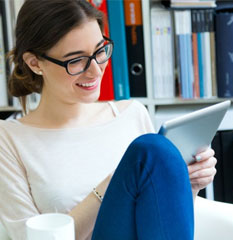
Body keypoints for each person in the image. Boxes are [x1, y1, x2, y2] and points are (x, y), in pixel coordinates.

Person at [0, 0, 217, 239]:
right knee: (150, 150)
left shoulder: (132, 114)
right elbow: (26, 237)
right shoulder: (9, 139)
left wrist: (189, 185)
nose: (95, 70)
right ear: (35, 63)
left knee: (155, 151)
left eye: (100, 50)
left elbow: (159, 223)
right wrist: (113, 182)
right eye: (76, 60)